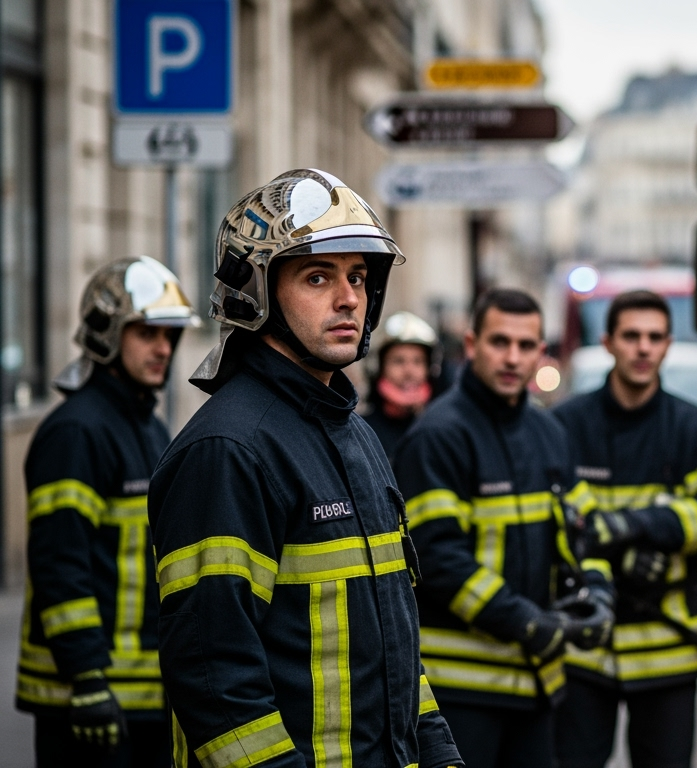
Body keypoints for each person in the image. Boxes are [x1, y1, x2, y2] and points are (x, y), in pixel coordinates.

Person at [147, 169, 462, 768]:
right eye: (318, 277)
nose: (349, 298)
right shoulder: (228, 449)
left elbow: (392, 640)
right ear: (254, 292)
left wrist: (439, 752)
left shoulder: (354, 433)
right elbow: (215, 680)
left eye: (359, 277)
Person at [395, 288, 614, 768]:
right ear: (472, 345)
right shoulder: (438, 435)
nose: (513, 358)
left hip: (537, 684)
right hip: (462, 694)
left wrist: (598, 592)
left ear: (541, 351)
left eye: (525, 345)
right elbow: (437, 558)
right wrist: (527, 621)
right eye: (499, 342)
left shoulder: (549, 433)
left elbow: (585, 532)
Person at [14, 256, 200, 767]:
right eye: (147, 334)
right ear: (107, 334)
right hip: (87, 699)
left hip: (142, 697)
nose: (164, 348)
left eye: (170, 336)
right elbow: (60, 565)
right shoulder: (77, 432)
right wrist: (87, 676)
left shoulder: (146, 425)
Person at [552, 290, 697, 768]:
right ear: (608, 342)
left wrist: (631, 526)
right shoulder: (563, 426)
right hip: (584, 650)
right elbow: (551, 520)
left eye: (654, 338)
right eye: (632, 336)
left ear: (668, 345)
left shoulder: (696, 429)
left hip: (669, 651)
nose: (643, 348)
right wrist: (637, 539)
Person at [364, 310, 440, 462]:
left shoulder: (439, 429)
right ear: (378, 368)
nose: (409, 372)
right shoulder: (361, 432)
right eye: (398, 361)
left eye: (418, 361)